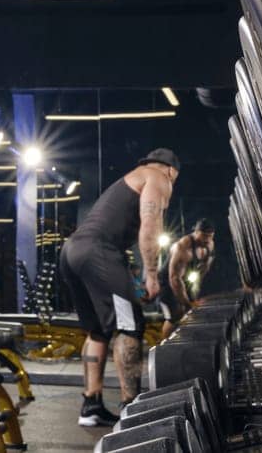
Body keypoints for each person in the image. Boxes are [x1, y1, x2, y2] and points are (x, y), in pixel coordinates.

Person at [58, 148, 180, 426]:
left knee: (98, 331)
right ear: (171, 170)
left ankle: (91, 405)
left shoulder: (133, 176)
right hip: (97, 251)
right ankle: (131, 410)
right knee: (130, 325)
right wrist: (151, 274)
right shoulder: (158, 177)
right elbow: (150, 226)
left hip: (72, 251)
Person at [157, 218, 216, 338]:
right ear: (196, 232)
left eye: (210, 236)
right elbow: (174, 278)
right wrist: (186, 303)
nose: (207, 240)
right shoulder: (183, 247)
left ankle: (186, 340)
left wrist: (195, 291)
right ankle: (164, 347)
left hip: (184, 280)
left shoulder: (209, 245)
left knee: (190, 311)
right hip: (167, 282)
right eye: (204, 236)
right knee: (174, 316)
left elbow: (204, 269)